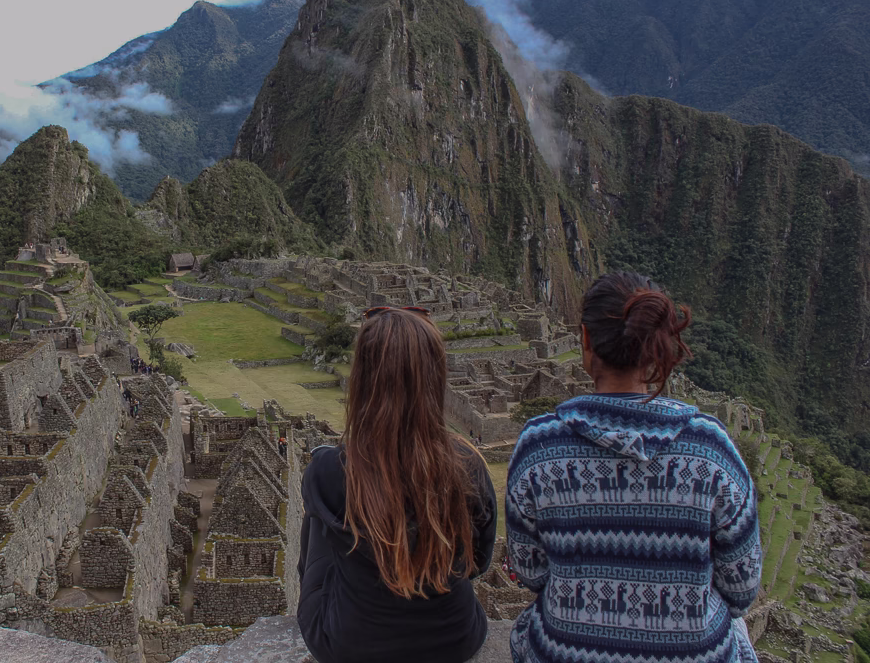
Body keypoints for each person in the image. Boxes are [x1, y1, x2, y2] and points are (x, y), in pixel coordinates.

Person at [506, 272, 762, 663]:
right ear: (656, 346)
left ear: (586, 340)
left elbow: (530, 572)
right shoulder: (710, 448)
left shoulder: (539, 446)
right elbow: (741, 588)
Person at [298, 306, 496, 663]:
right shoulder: (468, 466)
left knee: (319, 513)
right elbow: (478, 561)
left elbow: (311, 564)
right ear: (435, 377)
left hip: (350, 645)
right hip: (455, 637)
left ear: (362, 379)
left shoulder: (329, 470)